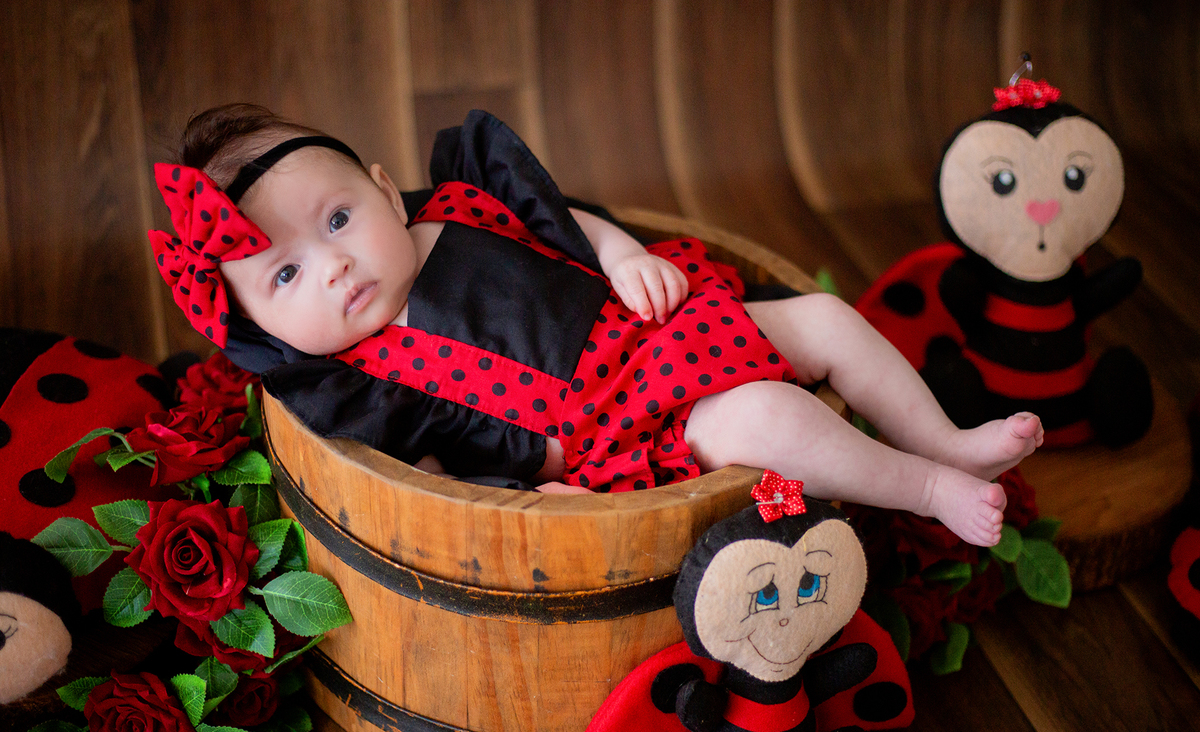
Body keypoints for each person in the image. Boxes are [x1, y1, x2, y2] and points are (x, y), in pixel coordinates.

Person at [150, 104, 1043, 547]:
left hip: (657, 330)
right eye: (287, 273)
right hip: (621, 433)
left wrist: (621, 258)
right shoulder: (362, 382)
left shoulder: (461, 203)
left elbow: (566, 223)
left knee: (822, 316)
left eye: (338, 219)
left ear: (384, 188)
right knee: (764, 417)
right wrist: (525, 507)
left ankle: (945, 442)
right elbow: (424, 485)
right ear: (259, 324)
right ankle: (925, 493)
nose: (334, 264)